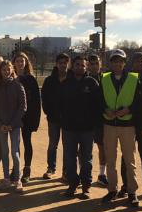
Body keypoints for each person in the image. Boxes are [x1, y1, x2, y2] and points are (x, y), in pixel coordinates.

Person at [100, 49, 140, 207]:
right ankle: (112, 190)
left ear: (125, 62)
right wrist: (105, 109)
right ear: (110, 63)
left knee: (130, 160)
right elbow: (99, 99)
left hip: (127, 125)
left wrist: (128, 109)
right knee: (110, 160)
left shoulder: (133, 78)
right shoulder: (104, 78)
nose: (117, 64)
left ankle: (132, 191)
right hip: (109, 124)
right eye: (114, 61)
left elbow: (139, 100)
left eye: (120, 61)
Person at [61, 55, 100, 199]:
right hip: (69, 129)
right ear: (73, 66)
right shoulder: (66, 83)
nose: (80, 67)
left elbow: (98, 106)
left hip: (87, 129)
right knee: (69, 159)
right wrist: (63, 120)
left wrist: (94, 124)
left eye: (83, 65)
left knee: (86, 159)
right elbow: (60, 105)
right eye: (77, 65)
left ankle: (86, 186)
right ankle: (72, 183)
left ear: (86, 67)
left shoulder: (92, 83)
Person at [118, 52, 142, 199]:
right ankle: (126, 186)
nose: (140, 64)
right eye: (137, 61)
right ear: (132, 63)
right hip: (128, 123)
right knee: (126, 158)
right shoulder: (125, 78)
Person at [0, 60, 26, 193]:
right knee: (4, 153)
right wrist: (0, 124)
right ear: (0, 71)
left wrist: (11, 124)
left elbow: (23, 107)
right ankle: (6, 179)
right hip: (1, 126)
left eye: (8, 69)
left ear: (12, 70)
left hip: (14, 125)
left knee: (14, 153)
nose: (6, 71)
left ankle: (18, 180)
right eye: (3, 69)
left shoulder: (18, 86)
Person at [41, 53, 71, 180]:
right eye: (60, 63)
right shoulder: (49, 80)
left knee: (67, 145)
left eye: (65, 62)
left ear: (68, 64)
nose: (63, 65)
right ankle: (51, 168)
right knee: (53, 144)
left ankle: (66, 171)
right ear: (56, 64)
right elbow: (44, 98)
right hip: (53, 118)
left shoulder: (72, 79)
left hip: (68, 118)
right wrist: (48, 112)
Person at [13, 52, 41, 184]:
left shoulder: (31, 79)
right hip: (13, 117)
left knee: (27, 142)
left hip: (27, 117)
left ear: (26, 63)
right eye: (17, 61)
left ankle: (27, 170)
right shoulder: (10, 78)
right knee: (15, 144)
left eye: (22, 61)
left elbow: (36, 102)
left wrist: (35, 120)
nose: (20, 63)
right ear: (14, 63)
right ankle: (16, 168)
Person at [88, 54, 108, 186]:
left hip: (102, 119)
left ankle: (102, 174)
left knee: (103, 147)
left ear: (100, 64)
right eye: (92, 63)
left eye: (96, 63)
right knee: (85, 149)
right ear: (88, 65)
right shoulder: (84, 78)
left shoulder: (106, 78)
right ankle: (84, 174)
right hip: (87, 119)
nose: (94, 66)